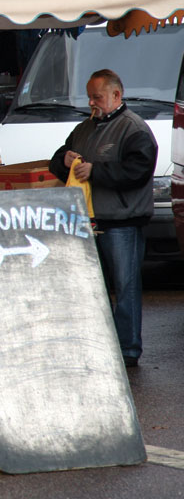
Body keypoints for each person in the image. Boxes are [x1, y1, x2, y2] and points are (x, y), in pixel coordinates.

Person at [48, 68, 156, 368]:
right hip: (88, 223)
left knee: (125, 288)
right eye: (90, 97)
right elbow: (56, 161)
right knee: (92, 288)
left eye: (97, 97)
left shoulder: (134, 128)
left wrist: (97, 171)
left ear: (116, 95)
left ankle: (128, 350)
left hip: (122, 221)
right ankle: (102, 346)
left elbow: (139, 171)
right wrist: (64, 160)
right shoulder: (84, 128)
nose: (92, 102)